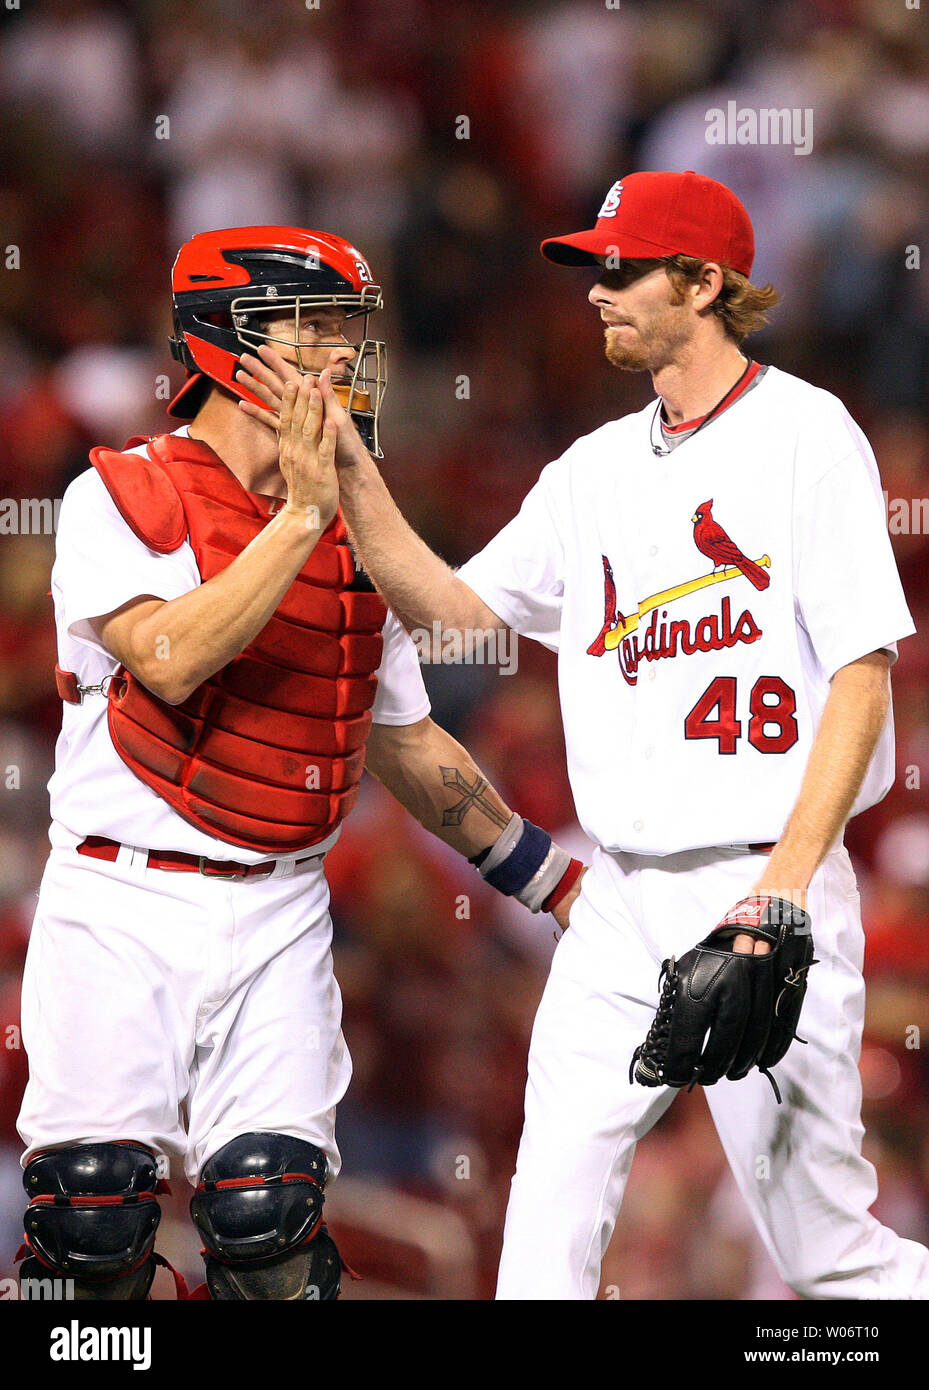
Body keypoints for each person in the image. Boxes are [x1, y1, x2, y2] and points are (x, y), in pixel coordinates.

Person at [238, 171, 929, 1300]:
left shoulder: (807, 433)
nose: (596, 291)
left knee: (821, 1251)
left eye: (622, 268)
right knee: (543, 1233)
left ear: (704, 283)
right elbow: (457, 620)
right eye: (592, 268)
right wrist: (353, 478)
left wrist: (784, 892)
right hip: (616, 902)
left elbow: (859, 677)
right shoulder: (591, 472)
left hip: (764, 877)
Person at [16, 226, 584, 1302]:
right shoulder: (121, 494)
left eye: (348, 334)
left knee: (270, 1224)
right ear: (229, 344)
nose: (344, 359)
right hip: (120, 898)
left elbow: (403, 740)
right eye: (315, 331)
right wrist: (305, 517)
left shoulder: (361, 526)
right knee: (93, 1228)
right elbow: (171, 656)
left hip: (282, 907)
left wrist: (544, 878)